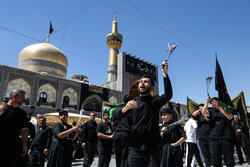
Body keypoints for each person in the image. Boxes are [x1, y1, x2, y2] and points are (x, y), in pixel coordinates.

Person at [123, 61, 172, 167]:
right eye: (141, 81)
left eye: (146, 82)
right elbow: (119, 118)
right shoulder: (133, 104)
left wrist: (165, 74)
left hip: (152, 150)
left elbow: (168, 94)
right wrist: (125, 108)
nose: (142, 83)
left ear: (151, 87)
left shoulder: (155, 102)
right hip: (135, 150)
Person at [201, 96, 235, 167]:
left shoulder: (228, 110)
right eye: (212, 102)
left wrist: (220, 107)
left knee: (229, 161)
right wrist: (207, 102)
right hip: (215, 139)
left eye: (215, 102)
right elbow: (203, 113)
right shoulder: (211, 112)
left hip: (226, 139)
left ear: (219, 102)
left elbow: (230, 117)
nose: (213, 104)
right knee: (216, 161)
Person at [0, 89, 29, 167]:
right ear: (13, 96)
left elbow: (24, 130)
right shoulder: (2, 108)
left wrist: (24, 144)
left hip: (13, 148)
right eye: (22, 97)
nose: (24, 99)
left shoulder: (22, 113)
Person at [112, 95, 133, 167]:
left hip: (117, 135)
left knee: (118, 156)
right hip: (126, 135)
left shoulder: (116, 110)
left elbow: (112, 122)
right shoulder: (132, 111)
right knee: (125, 157)